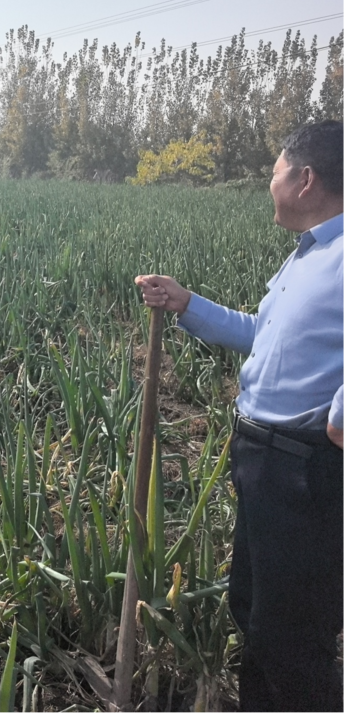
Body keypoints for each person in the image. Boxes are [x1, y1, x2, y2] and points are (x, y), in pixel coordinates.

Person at [135, 120, 344, 713]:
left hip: (307, 469)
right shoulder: (309, 255)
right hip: (264, 462)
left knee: (293, 636)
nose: (269, 183)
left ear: (305, 180)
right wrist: (187, 304)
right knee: (252, 609)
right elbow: (264, 335)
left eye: (274, 172)